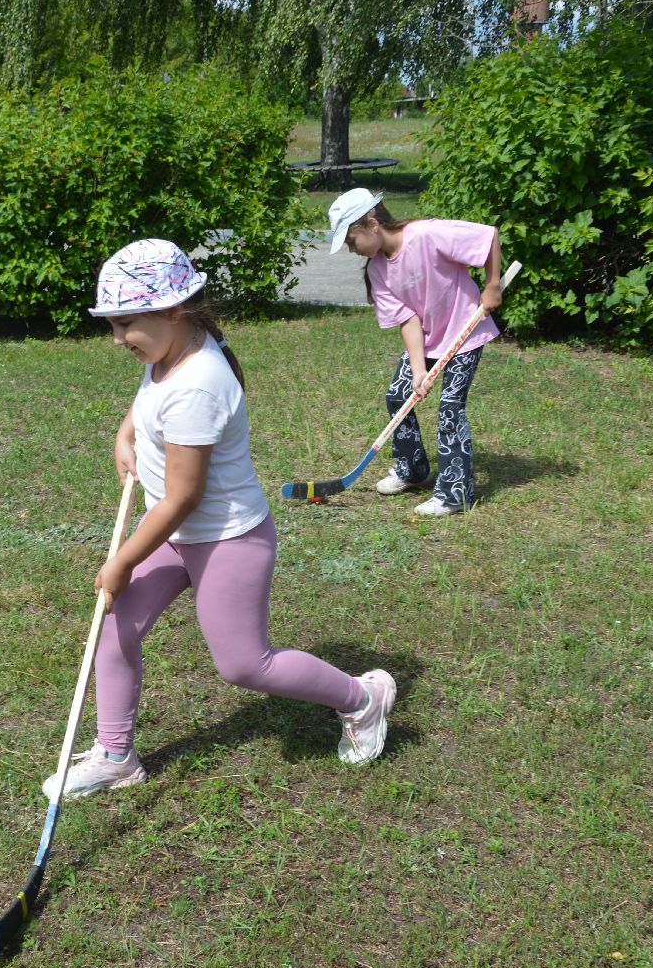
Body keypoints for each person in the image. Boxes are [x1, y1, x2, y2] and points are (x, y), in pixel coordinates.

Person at [43, 238, 395, 800]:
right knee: (115, 629)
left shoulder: (199, 383)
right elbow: (147, 400)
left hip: (227, 539)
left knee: (244, 664)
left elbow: (183, 497)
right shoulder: (170, 352)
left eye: (126, 324)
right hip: (174, 533)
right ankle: (116, 755)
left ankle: (363, 698)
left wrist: (123, 561)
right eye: (112, 325)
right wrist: (126, 434)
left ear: (173, 310)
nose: (117, 338)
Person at [328, 187, 505, 516]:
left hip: (465, 333)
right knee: (398, 395)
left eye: (351, 241)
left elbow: (487, 237)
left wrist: (492, 284)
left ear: (372, 224)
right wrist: (419, 369)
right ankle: (412, 469)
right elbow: (408, 320)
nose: (352, 249)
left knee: (450, 407)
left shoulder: (425, 234)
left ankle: (455, 493)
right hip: (428, 339)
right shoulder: (377, 270)